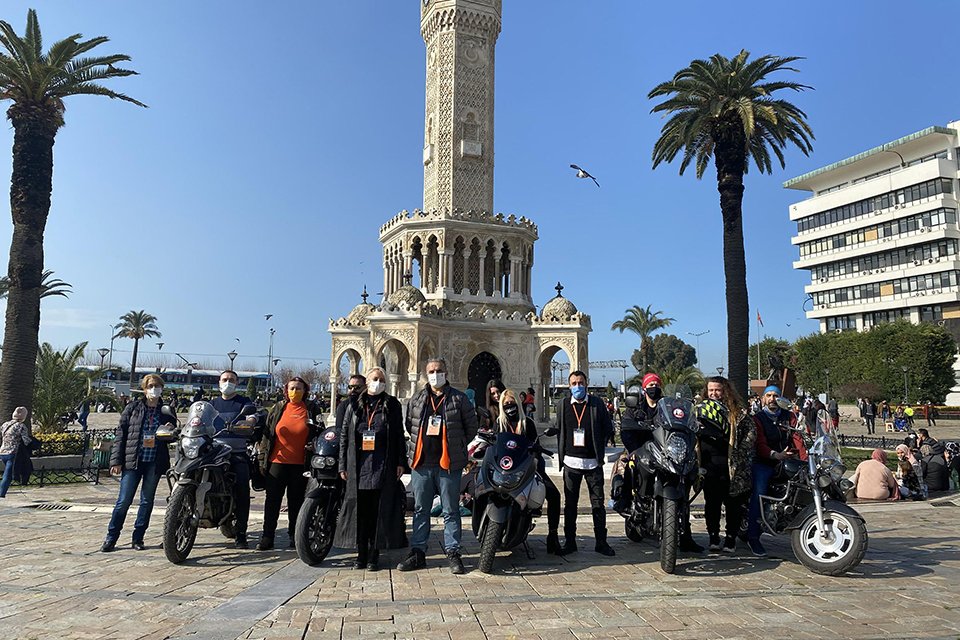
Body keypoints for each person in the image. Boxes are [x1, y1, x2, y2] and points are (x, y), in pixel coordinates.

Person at [397, 357, 478, 575]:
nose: (435, 374)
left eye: (439, 370)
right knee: (421, 509)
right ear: (425, 373)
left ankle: (453, 552)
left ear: (446, 372)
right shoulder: (418, 399)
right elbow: (409, 424)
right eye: (431, 371)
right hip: (421, 464)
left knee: (451, 510)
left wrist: (458, 446)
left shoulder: (459, 399)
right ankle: (418, 552)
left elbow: (471, 427)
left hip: (448, 464)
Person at [335, 367, 407, 571]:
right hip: (359, 463)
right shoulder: (354, 404)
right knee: (361, 510)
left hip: (381, 462)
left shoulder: (392, 404)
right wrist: (342, 464)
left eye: (381, 379)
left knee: (377, 510)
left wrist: (400, 461)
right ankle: (361, 553)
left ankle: (374, 554)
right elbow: (344, 436)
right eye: (375, 379)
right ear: (367, 381)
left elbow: (398, 434)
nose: (378, 382)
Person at [102, 374, 177, 551]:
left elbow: (172, 433)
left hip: (154, 461)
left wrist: (171, 430)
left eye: (157, 386)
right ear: (144, 388)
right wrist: (116, 460)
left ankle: (138, 538)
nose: (154, 389)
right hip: (132, 461)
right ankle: (111, 537)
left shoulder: (166, 409)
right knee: (123, 501)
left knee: (146, 501)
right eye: (151, 386)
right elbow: (121, 434)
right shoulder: (133, 407)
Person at [552, 370, 615, 556]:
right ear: (569, 386)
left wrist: (599, 446)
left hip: (592, 463)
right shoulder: (563, 405)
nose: (577, 386)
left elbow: (607, 428)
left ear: (586, 384)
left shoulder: (596, 404)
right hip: (571, 463)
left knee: (598, 504)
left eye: (580, 382)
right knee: (570, 505)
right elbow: (559, 428)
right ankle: (570, 542)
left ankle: (601, 542)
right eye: (574, 383)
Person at [257, 377, 322, 551]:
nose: (295, 392)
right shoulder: (278, 408)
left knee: (296, 502)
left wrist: (314, 444)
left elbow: (319, 431)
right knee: (272, 501)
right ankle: (267, 536)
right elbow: (266, 434)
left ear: (305, 390)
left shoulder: (311, 408)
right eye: (292, 388)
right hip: (277, 462)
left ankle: (295, 536)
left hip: (300, 464)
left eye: (299, 388)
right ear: (286, 390)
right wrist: (262, 459)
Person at [495, 388, 563, 554]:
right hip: (506, 470)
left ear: (518, 403)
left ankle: (553, 536)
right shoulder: (500, 424)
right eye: (506, 404)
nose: (509, 406)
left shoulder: (527, 423)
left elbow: (536, 448)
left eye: (512, 403)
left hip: (527, 469)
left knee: (554, 495)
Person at [747, 385, 808, 557]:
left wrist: (806, 460)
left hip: (787, 461)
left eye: (776, 396)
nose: (772, 399)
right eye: (769, 395)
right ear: (763, 399)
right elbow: (760, 443)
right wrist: (775, 455)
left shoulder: (789, 417)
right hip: (765, 461)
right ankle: (753, 537)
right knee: (760, 491)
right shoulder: (758, 418)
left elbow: (798, 439)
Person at [698, 376, 753, 553]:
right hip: (708, 463)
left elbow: (751, 433)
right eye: (711, 390)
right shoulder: (700, 410)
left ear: (725, 390)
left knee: (733, 504)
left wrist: (740, 452)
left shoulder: (737, 412)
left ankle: (730, 538)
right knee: (711, 503)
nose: (714, 393)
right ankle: (713, 536)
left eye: (718, 390)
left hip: (731, 465)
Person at [209, 369, 259, 549]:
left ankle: (241, 533)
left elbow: (252, 417)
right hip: (213, 453)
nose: (227, 382)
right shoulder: (211, 404)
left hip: (236, 452)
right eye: (225, 379)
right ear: (219, 382)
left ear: (237, 383)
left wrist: (248, 423)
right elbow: (198, 418)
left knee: (242, 489)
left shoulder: (243, 402)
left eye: (231, 380)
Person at [0, 407, 31, 498]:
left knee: (8, 472)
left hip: (3, 452)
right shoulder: (21, 426)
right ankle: (1, 494)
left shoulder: (5, 424)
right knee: (8, 475)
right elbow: (26, 440)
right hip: (13, 453)